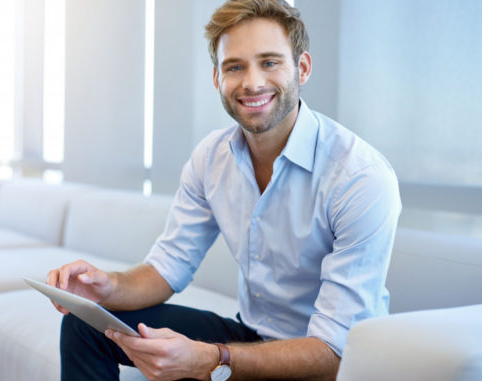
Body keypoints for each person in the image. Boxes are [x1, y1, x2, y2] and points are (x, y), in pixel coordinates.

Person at [47, 0, 401, 380]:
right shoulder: (211, 158)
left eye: (269, 62)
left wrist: (212, 358)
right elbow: (167, 269)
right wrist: (108, 287)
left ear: (302, 68)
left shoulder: (359, 177)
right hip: (250, 338)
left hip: (327, 365)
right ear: (217, 78)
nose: (252, 82)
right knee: (86, 325)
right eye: (235, 66)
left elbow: (335, 350)